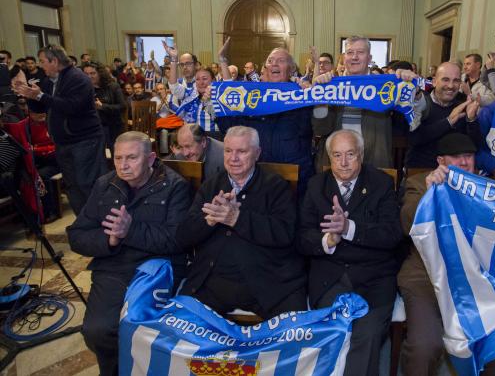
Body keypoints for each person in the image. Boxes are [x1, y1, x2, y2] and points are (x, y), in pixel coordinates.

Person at [400, 132, 495, 376]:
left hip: (481, 283)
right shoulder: (419, 182)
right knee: (424, 347)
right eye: (456, 157)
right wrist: (429, 194)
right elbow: (407, 224)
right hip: (427, 278)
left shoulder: (489, 191)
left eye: (468, 156)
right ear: (440, 161)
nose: (465, 163)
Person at [67, 131, 191, 376]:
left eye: (132, 158)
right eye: (118, 158)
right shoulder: (105, 185)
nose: (123, 165)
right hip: (113, 267)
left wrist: (129, 231)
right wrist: (109, 240)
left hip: (158, 268)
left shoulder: (175, 186)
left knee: (141, 327)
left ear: (151, 158)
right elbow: (77, 234)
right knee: (97, 330)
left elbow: (177, 240)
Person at [297, 129, 403, 376]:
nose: (343, 163)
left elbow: (392, 235)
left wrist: (349, 228)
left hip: (373, 279)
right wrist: (327, 240)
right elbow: (302, 238)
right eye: (336, 155)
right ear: (328, 159)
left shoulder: (381, 183)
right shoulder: (316, 185)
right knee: (329, 332)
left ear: (362, 155)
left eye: (350, 155)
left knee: (366, 336)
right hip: (329, 277)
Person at [177, 126, 307, 319]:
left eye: (242, 151)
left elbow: (285, 233)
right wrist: (209, 220)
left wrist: (237, 218)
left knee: (295, 335)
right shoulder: (212, 185)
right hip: (213, 282)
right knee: (178, 328)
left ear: (257, 153)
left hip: (264, 282)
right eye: (228, 151)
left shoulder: (275, 186)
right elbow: (183, 236)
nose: (233, 158)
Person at [12, 44, 106, 215]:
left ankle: (99, 222)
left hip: (84, 140)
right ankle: (83, 222)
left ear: (54, 61)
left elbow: (72, 106)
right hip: (63, 142)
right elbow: (42, 108)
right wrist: (30, 96)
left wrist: (41, 96)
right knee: (72, 185)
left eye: (42, 61)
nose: (40, 65)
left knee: (87, 183)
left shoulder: (78, 78)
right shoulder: (50, 81)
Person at [217, 47, 315, 194]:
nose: (274, 64)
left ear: (291, 69)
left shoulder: (301, 94)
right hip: (257, 181)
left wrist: (314, 94)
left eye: (280, 61)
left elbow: (319, 127)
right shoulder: (252, 96)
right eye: (270, 61)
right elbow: (230, 127)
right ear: (265, 68)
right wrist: (215, 103)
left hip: (295, 183)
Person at [313, 36, 419, 169]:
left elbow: (418, 117)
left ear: (369, 58)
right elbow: (320, 129)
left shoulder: (386, 85)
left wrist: (412, 88)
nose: (354, 57)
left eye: (360, 52)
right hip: (337, 165)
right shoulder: (331, 85)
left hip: (374, 163)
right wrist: (319, 97)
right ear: (344, 58)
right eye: (350, 53)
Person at [406, 62, 481, 169]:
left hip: (456, 174)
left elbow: (475, 146)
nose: (451, 86)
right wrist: (448, 121)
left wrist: (471, 120)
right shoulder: (420, 102)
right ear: (434, 82)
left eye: (456, 81)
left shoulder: (464, 104)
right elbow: (414, 139)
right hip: (421, 171)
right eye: (445, 80)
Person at [83, 62, 126, 155]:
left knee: (117, 154)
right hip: (95, 128)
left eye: (92, 73)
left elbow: (123, 106)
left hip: (113, 126)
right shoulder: (85, 89)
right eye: (86, 74)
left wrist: (103, 106)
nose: (89, 76)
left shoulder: (113, 86)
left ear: (100, 73)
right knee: (98, 156)